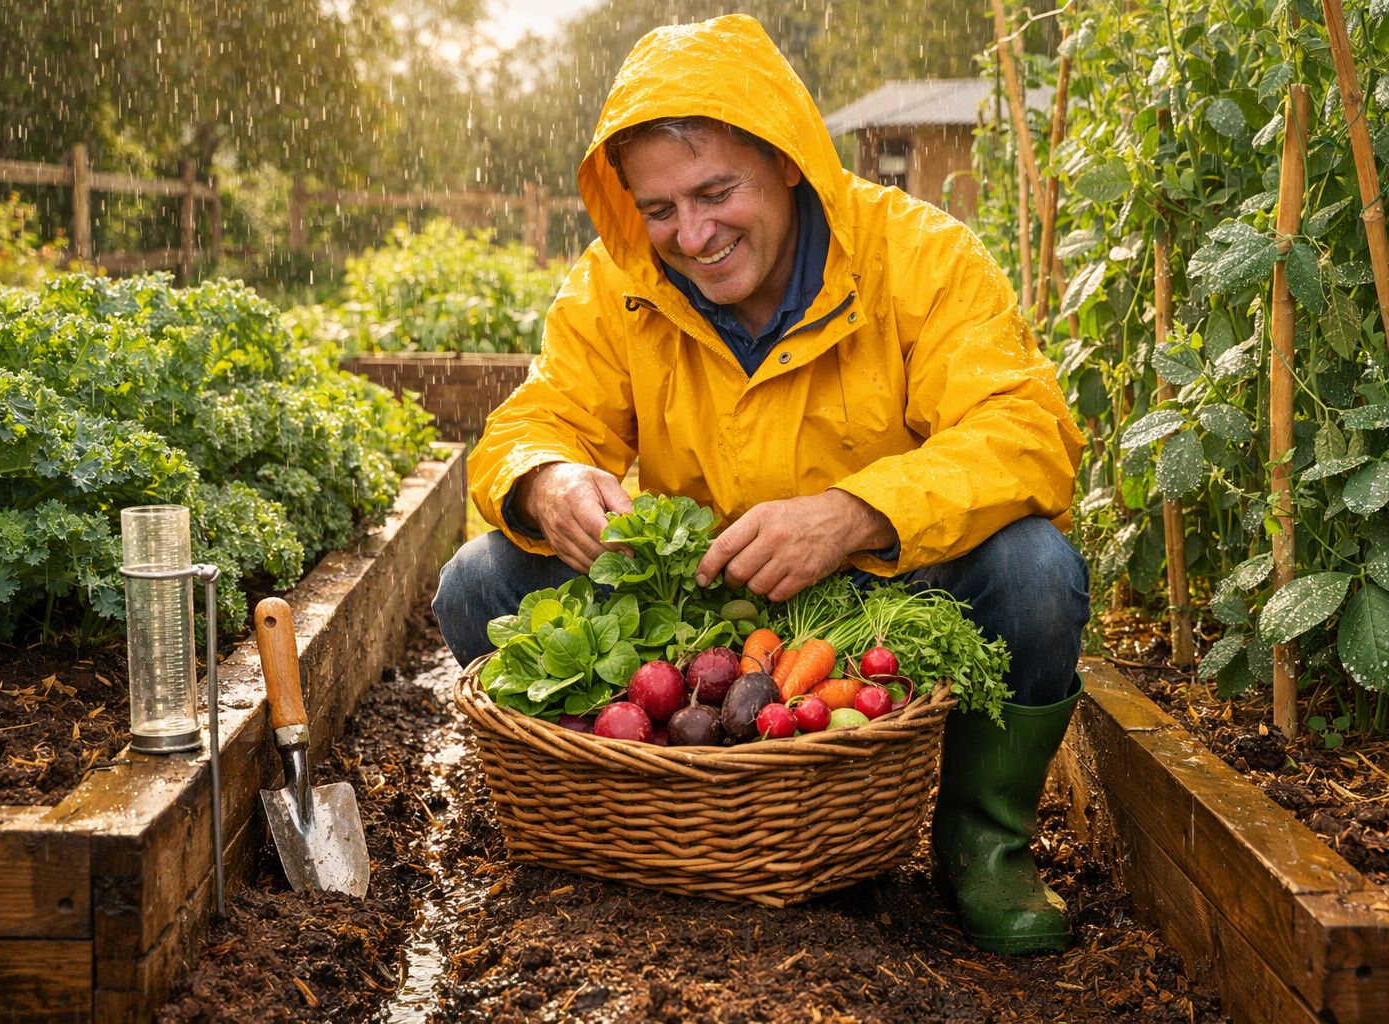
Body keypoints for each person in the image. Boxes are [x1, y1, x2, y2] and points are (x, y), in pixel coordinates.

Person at [433, 14, 1089, 955]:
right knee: (479, 585)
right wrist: (548, 481)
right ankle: (646, 807)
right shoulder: (614, 289)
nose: (692, 235)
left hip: (877, 603)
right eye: (658, 210)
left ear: (787, 160)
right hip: (690, 611)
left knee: (1036, 573)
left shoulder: (919, 257)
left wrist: (859, 512)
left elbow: (1026, 434)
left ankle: (981, 843)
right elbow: (537, 422)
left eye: (714, 192)